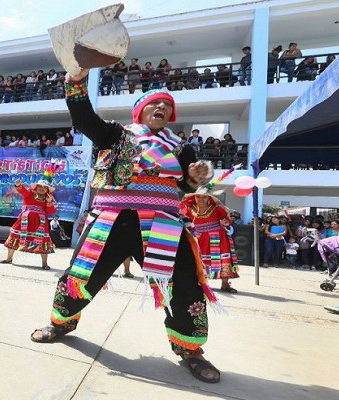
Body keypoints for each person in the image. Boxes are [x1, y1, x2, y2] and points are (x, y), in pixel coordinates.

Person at [29, 69, 220, 384]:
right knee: (81, 275)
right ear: (140, 110)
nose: (161, 109)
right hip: (112, 220)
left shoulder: (181, 147)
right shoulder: (116, 134)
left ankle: (190, 349)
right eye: (154, 104)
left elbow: (185, 187)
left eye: (167, 107)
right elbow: (83, 117)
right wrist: (75, 82)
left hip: (163, 224)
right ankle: (62, 322)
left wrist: (196, 178)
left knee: (184, 284)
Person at [179, 182, 240, 293]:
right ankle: (199, 282)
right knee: (197, 260)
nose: (201, 199)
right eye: (198, 196)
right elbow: (183, 219)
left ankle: (225, 284)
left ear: (209, 198)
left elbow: (227, 218)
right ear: (194, 197)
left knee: (223, 259)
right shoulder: (189, 209)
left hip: (217, 238)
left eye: (204, 197)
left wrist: (226, 222)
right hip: (197, 238)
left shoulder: (216, 208)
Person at [0, 168, 57, 270]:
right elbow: (22, 191)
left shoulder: (49, 199)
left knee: (43, 240)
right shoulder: (30, 194)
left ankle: (44, 263)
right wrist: (18, 185)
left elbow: (51, 212)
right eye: (40, 186)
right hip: (24, 220)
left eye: (44, 188)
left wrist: (49, 202)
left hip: (40, 223)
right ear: (36, 187)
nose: (41, 188)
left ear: (47, 190)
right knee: (14, 235)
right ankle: (9, 258)